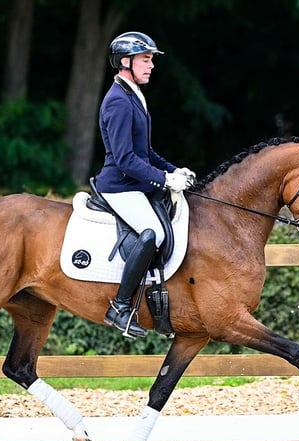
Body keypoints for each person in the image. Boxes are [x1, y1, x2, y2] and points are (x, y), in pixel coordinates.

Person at [95, 31, 195, 339]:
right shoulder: (118, 102)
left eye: (151, 60)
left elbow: (146, 152)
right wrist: (164, 180)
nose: (151, 65)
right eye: (145, 59)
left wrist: (173, 169)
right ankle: (121, 307)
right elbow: (125, 159)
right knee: (155, 232)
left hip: (136, 182)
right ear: (126, 62)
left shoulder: (133, 95)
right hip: (119, 186)